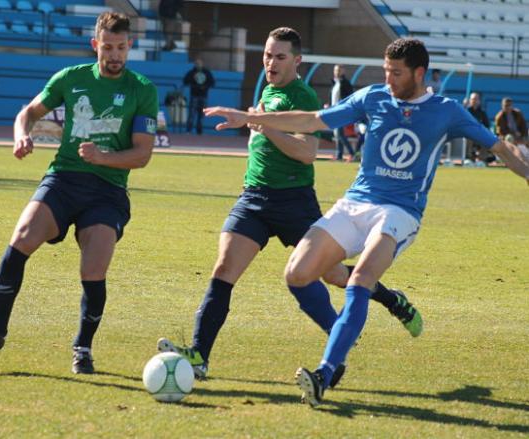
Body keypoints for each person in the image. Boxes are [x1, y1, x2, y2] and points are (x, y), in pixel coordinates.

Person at [205, 38, 529, 407]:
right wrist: (250, 117)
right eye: (386, 71)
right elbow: (312, 121)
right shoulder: (372, 98)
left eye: (396, 73)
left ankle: (326, 372)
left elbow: (498, 147)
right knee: (297, 274)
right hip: (355, 203)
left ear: (419, 73)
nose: (388, 79)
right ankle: (371, 318)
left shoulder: (447, 111)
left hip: (400, 212)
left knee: (360, 280)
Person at [157, 28, 423, 385]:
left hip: (294, 201)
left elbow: (307, 152)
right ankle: (200, 355)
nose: (271, 62)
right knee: (223, 269)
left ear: (297, 61)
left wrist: (264, 126)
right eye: (268, 55)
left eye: (280, 57)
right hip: (254, 199)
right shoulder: (267, 90)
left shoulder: (301, 94)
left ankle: (388, 303)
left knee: (332, 274)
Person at [0, 12, 159, 375]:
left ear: (130, 46)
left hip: (107, 191)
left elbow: (143, 154)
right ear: (95, 44)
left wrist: (104, 157)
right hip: (64, 179)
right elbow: (29, 113)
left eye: (121, 47)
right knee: (21, 237)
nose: (114, 55)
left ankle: (83, 348)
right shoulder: (71, 78)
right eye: (108, 47)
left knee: (94, 266)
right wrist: (22, 135)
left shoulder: (141, 89)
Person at [331, 64, 356, 161]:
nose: (336, 72)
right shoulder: (335, 83)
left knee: (339, 134)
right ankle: (339, 155)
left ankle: (351, 153)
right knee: (338, 134)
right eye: (335, 70)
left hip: (340, 110)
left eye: (338, 70)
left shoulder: (346, 83)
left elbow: (349, 97)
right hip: (333, 110)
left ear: (343, 71)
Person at [184, 58, 215, 135]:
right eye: (196, 63)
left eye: (199, 63)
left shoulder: (207, 72)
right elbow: (185, 81)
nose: (198, 65)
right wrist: (193, 84)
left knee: (201, 115)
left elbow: (212, 82)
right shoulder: (192, 72)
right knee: (191, 114)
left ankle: (199, 132)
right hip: (194, 96)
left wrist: (205, 87)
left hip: (203, 96)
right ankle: (188, 131)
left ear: (202, 64)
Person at [465, 92, 493, 164]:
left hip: (479, 134)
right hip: (468, 134)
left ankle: (481, 161)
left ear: (479, 101)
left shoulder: (482, 112)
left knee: (486, 139)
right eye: (473, 99)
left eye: (476, 99)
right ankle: (469, 159)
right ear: (470, 100)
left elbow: (487, 125)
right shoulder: (465, 111)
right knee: (469, 139)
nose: (474, 101)